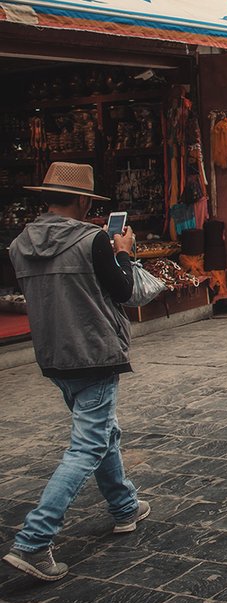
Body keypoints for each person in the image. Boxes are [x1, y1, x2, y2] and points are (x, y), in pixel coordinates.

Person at [4, 163, 151, 581]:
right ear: (86, 201)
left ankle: (124, 506)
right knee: (87, 443)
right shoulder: (93, 240)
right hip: (94, 350)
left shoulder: (19, 244)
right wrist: (123, 251)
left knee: (100, 431)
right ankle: (34, 541)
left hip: (54, 354)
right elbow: (123, 291)